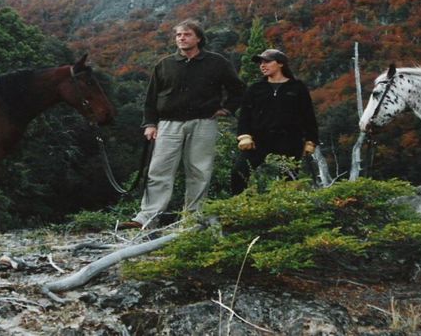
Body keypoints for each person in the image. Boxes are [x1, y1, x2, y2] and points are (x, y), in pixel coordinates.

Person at [122, 19, 245, 229]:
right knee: (159, 170)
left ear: (198, 38)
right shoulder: (165, 64)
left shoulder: (217, 63)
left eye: (187, 34)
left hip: (204, 123)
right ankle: (147, 218)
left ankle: (192, 218)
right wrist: (150, 124)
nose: (182, 38)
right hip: (169, 124)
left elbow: (239, 89)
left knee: (199, 170)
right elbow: (151, 98)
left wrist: (226, 109)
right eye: (178, 35)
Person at [232, 48, 319, 194]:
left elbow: (308, 116)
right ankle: (238, 208)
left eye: (267, 61)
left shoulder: (297, 87)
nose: (262, 65)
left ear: (280, 64)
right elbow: (245, 115)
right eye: (260, 62)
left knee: (289, 180)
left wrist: (311, 141)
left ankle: (287, 213)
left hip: (289, 141)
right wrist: (244, 136)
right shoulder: (255, 88)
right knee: (239, 172)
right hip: (258, 140)